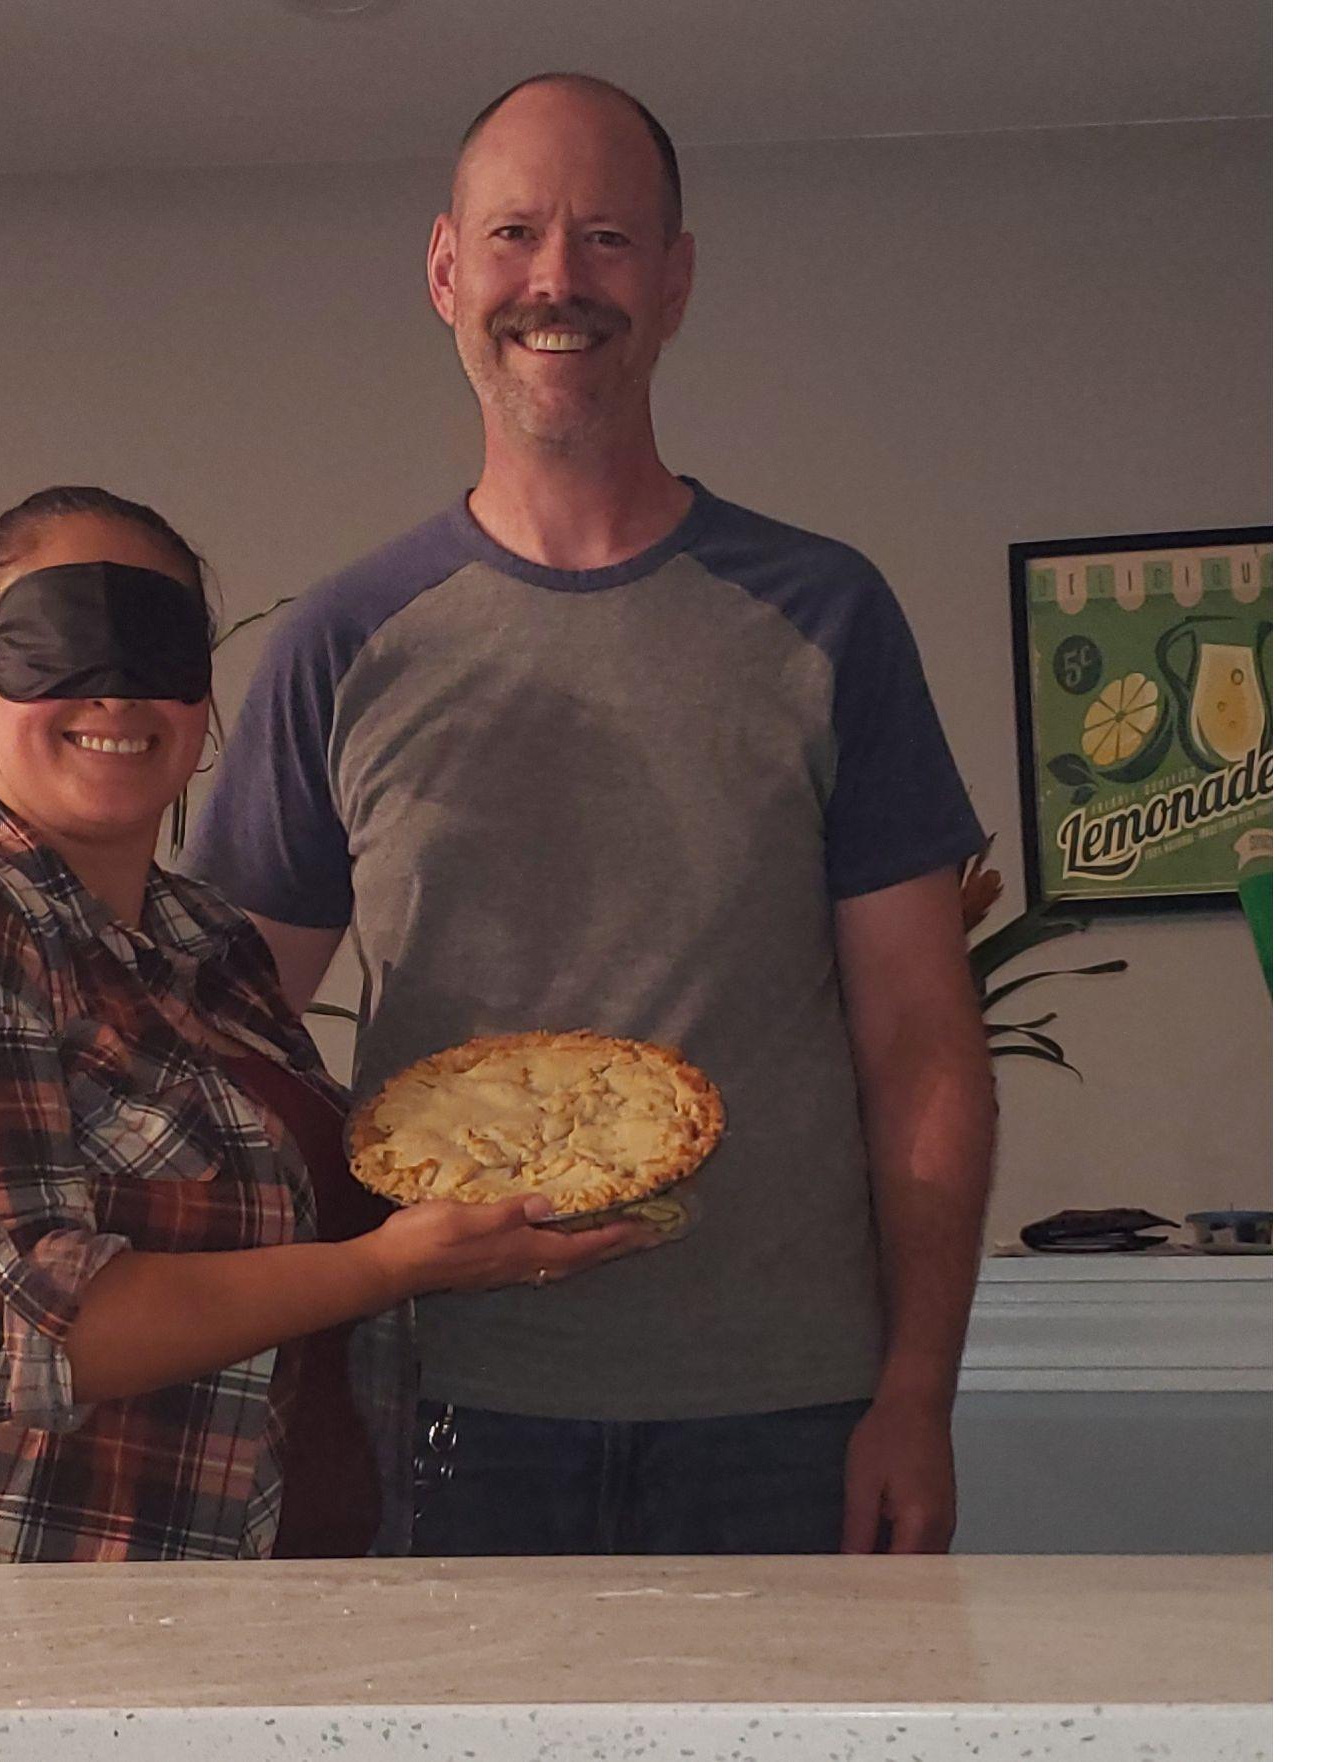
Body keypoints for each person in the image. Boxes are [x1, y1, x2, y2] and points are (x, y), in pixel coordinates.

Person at [179, 75, 997, 1557]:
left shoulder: (827, 615)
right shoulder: (343, 641)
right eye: (515, 234)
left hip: (787, 1409)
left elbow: (920, 1039)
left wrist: (915, 1393)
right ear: (446, 272)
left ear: (674, 279)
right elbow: (208, 1040)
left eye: (608, 237)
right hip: (439, 1409)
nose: (557, 277)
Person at [0, 484, 646, 1567]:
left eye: (156, 653)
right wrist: (392, 1266)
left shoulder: (206, 945)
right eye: (57, 646)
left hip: (221, 1612)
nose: (115, 696)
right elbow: (7, 1336)